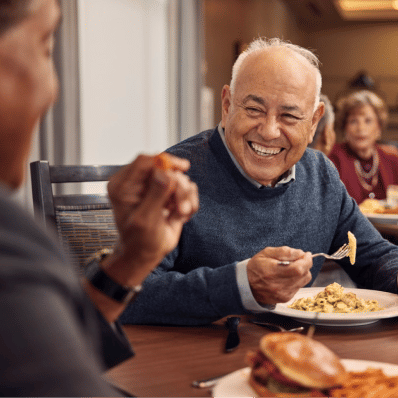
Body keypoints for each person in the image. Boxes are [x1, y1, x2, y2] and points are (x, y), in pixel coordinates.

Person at [120, 37, 398, 327]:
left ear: (314, 121)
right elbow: (127, 292)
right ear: (227, 105)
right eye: (254, 110)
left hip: (293, 352)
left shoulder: (321, 176)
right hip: (193, 358)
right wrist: (240, 285)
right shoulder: (176, 177)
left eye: (289, 116)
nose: (268, 131)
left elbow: (375, 257)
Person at [0, 0, 198, 396]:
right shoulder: (10, 243)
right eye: (44, 47)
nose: (53, 88)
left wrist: (132, 260)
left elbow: (48, 351)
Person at [329, 90, 398, 205]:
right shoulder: (333, 158)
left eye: (368, 121)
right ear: (345, 128)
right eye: (353, 121)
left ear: (379, 128)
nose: (360, 128)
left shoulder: (392, 158)